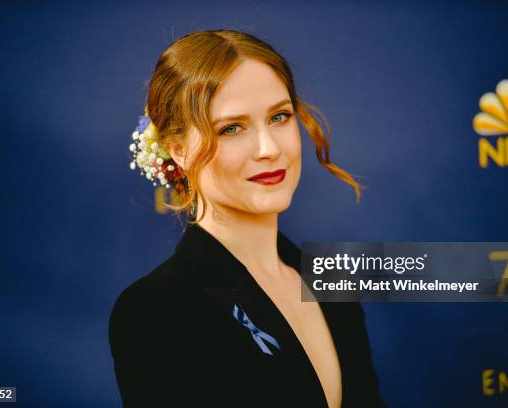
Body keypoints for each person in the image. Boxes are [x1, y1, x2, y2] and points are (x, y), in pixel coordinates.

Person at [109, 29, 384, 407]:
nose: (269, 149)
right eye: (231, 128)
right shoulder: (155, 310)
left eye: (280, 117)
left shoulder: (331, 283)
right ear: (177, 150)